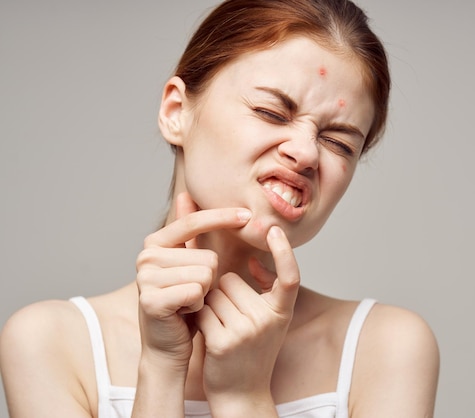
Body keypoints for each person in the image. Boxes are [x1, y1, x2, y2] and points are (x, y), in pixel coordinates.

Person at [0, 0, 439, 417]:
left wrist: (244, 399)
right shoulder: (49, 342)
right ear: (176, 111)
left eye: (338, 142)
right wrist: (161, 367)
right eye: (271, 112)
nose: (306, 153)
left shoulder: (388, 348)